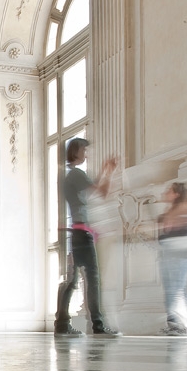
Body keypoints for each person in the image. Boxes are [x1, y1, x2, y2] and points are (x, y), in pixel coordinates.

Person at [54, 138, 121, 337]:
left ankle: (62, 324)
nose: (86, 153)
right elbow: (102, 192)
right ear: (76, 151)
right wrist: (109, 170)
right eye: (84, 149)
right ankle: (97, 326)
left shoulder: (71, 176)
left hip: (76, 232)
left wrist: (104, 172)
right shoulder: (76, 174)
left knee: (73, 280)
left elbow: (95, 189)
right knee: (92, 279)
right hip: (81, 233)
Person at [158, 181, 187, 336]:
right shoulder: (170, 212)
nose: (165, 193)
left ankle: (182, 326)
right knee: (172, 290)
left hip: (179, 255)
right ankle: (180, 325)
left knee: (177, 291)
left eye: (169, 191)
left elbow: (179, 232)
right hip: (168, 253)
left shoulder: (186, 210)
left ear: (176, 194)